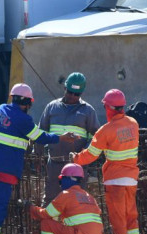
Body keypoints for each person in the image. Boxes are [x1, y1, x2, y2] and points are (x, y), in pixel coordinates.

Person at [0, 83, 78, 234]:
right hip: (5, 171)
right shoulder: (24, 120)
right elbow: (40, 137)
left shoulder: (1, 110)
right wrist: (62, 137)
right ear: (28, 102)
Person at [71, 89, 140, 234]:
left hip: (115, 179)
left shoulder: (105, 131)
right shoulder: (133, 124)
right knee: (131, 214)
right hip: (131, 179)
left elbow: (91, 155)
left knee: (118, 217)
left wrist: (75, 159)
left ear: (108, 108)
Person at [37, 72, 100, 204]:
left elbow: (96, 137)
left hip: (77, 167)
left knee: (75, 202)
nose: (72, 96)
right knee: (50, 200)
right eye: (70, 92)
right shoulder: (51, 107)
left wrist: (84, 154)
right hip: (54, 165)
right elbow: (41, 133)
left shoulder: (87, 111)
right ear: (65, 88)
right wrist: (37, 154)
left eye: (76, 94)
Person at [25, 164, 104, 234]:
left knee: (46, 224)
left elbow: (45, 214)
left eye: (61, 180)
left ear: (67, 179)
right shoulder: (89, 197)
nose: (60, 184)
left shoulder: (66, 194)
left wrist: (30, 208)